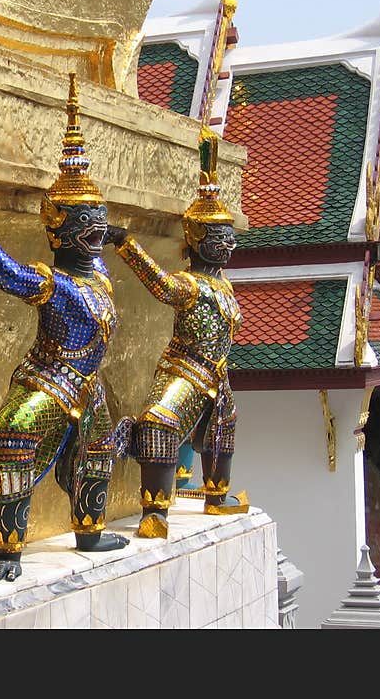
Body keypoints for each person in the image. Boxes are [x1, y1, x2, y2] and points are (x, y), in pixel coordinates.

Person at [0, 73, 129, 583]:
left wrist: (126, 243)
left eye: (100, 228)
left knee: (96, 454)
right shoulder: (54, 281)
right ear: (60, 234)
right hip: (47, 383)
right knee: (12, 442)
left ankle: (89, 528)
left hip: (88, 386)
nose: (97, 236)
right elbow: (8, 274)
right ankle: (6, 553)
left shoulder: (98, 275)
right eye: (89, 229)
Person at [107, 127, 248, 540]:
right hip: (185, 370)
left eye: (230, 238)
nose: (226, 246)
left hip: (216, 373)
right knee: (158, 424)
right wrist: (127, 244)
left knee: (224, 427)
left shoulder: (224, 285)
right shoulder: (189, 284)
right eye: (219, 238)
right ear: (197, 239)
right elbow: (160, 286)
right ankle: (155, 510)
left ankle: (216, 495)